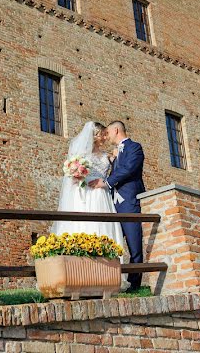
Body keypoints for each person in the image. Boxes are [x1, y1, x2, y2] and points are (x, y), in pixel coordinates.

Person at [52, 121, 127, 253]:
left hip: (101, 194)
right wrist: (76, 175)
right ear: (95, 136)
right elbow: (71, 177)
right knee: (83, 225)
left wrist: (117, 157)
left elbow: (120, 170)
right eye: (102, 135)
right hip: (84, 193)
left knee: (102, 227)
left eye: (105, 135)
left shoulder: (108, 156)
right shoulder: (81, 156)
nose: (105, 138)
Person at [89, 120, 146, 292]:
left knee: (134, 244)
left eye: (107, 133)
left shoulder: (135, 147)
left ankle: (134, 284)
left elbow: (128, 169)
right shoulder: (115, 152)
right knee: (111, 242)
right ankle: (109, 280)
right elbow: (118, 167)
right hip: (112, 203)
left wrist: (106, 182)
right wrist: (113, 159)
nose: (106, 136)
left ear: (116, 130)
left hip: (129, 202)